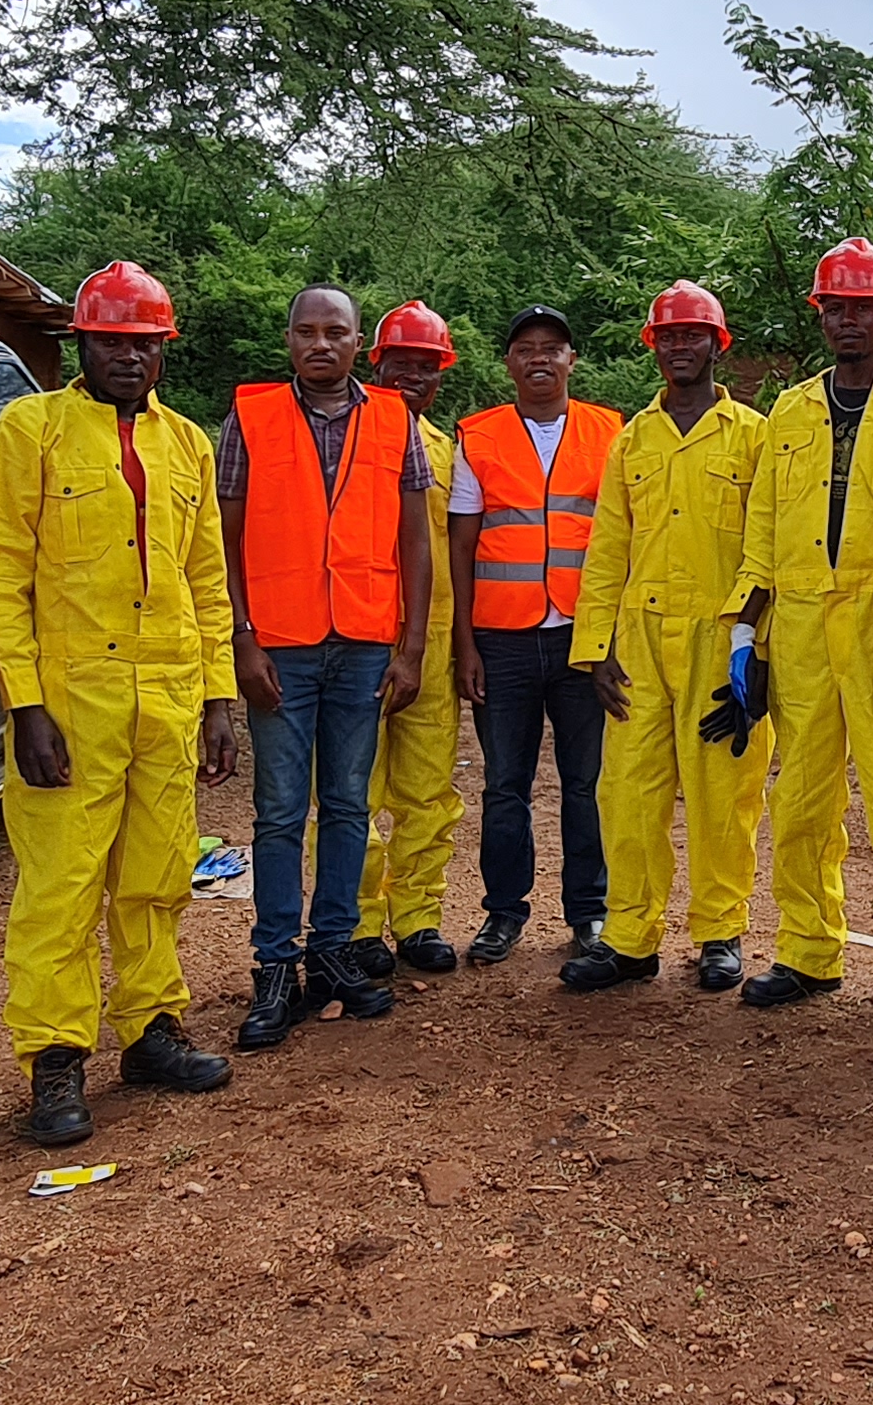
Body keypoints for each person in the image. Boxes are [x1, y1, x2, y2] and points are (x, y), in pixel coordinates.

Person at [0, 259, 245, 1150]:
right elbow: (2, 572)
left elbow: (206, 577)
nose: (129, 358)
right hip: (70, 700)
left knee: (158, 875)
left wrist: (216, 698)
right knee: (61, 886)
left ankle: (151, 1029)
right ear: (81, 345)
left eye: (145, 345)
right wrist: (24, 705)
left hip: (165, 695)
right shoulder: (32, 430)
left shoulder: (188, 444)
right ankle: (55, 1057)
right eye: (111, 342)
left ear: (164, 351)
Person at [732, 237, 873, 1023]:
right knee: (799, 798)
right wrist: (745, 633)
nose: (848, 321)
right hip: (799, 629)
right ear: (821, 315)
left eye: (864, 308)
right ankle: (807, 950)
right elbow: (762, 531)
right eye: (836, 307)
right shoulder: (790, 411)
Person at [220, 286, 431, 1048]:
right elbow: (224, 537)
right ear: (289, 340)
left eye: (334, 332)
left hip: (366, 642)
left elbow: (415, 538)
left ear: (356, 343)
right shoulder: (249, 417)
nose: (320, 344)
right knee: (279, 811)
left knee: (347, 805)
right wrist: (241, 637)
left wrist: (411, 647)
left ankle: (333, 953)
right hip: (279, 645)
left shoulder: (396, 418)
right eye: (306, 331)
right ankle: (276, 964)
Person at [564, 281, 771, 993]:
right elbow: (607, 550)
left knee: (723, 795)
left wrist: (756, 650)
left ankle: (720, 933)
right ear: (654, 347)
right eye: (669, 337)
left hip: (722, 637)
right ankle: (629, 939)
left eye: (693, 335)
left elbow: (768, 548)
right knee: (627, 793)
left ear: (718, 345)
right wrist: (596, 649)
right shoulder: (632, 440)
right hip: (640, 646)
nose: (681, 347)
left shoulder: (754, 436)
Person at [448, 306, 623, 969]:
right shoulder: (479, 436)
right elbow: (461, 545)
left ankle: (590, 912)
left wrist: (613, 638)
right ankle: (503, 912)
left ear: (572, 360)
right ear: (509, 364)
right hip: (503, 640)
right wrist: (465, 644)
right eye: (526, 349)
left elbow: (624, 538)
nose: (540, 358)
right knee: (505, 785)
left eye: (553, 347)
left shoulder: (611, 432)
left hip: (585, 637)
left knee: (587, 783)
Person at [346, 301, 467, 982]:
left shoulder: (450, 452)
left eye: (428, 367)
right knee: (351, 792)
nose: (413, 378)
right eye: (401, 364)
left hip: (434, 640)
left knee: (427, 791)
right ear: (377, 366)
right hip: (355, 637)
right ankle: (359, 924)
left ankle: (419, 917)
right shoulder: (344, 437)